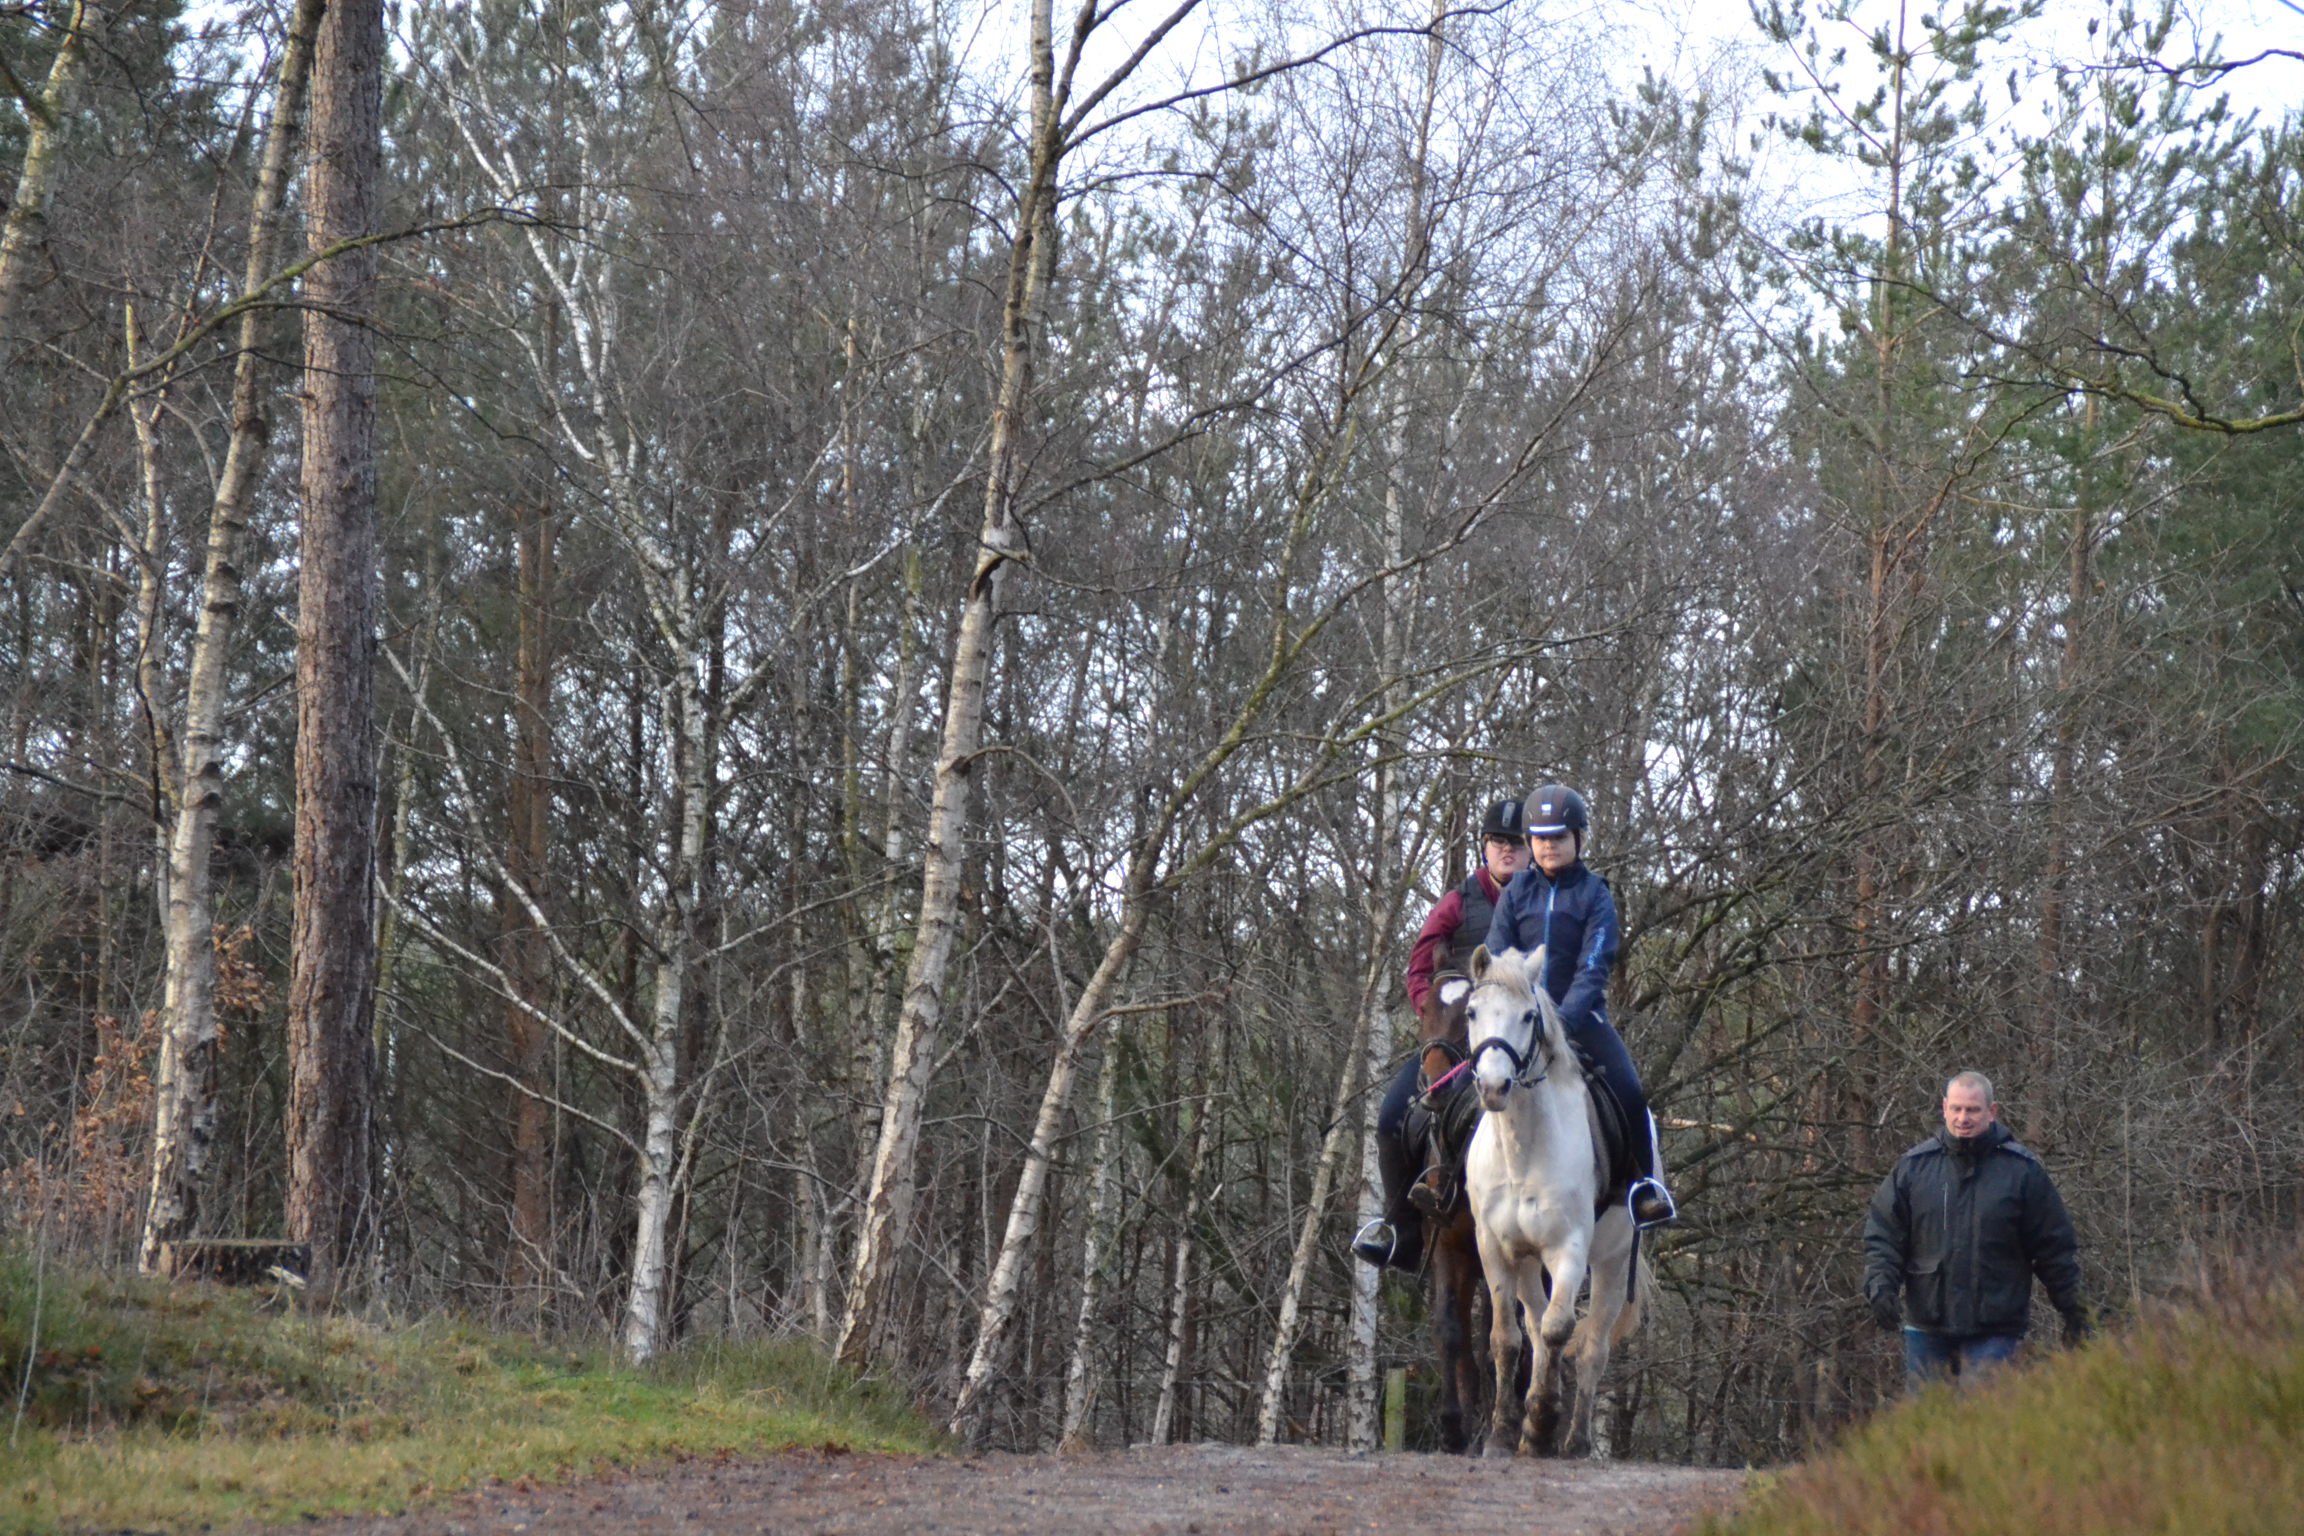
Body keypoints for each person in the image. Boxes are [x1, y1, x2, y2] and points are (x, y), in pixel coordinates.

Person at [1481, 784, 1676, 1227]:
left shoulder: (1594, 894)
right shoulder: (1516, 893)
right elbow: (1497, 957)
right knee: (1467, 1086)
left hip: (1581, 1021)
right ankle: (1449, 1187)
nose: (1549, 845)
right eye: (1540, 838)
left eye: (1558, 837)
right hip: (1519, 1024)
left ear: (1579, 838)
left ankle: (1645, 1188)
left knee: (1629, 1092)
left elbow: (1594, 965)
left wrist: (1562, 1022)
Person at [1353, 797, 1530, 1270]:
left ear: (1531, 849)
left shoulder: (1542, 899)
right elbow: (1418, 968)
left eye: (1515, 843)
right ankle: (1400, 1231)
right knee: (1392, 1117)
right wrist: (1433, 1017)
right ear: (1484, 847)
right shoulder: (1457, 902)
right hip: (1456, 1039)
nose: (1507, 850)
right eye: (1497, 842)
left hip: (1522, 1040)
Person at [1864, 1071, 2089, 1390]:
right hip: (1927, 1324)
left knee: (1981, 1414)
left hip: (1995, 1326)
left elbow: (2053, 1249)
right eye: (1956, 1108)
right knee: (1928, 1418)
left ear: (1991, 1111)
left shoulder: (2022, 1172)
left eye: (1972, 1110)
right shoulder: (1914, 1168)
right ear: (1944, 1108)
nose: (1962, 1118)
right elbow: (1884, 1236)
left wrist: (2075, 1308)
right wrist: (1880, 1286)